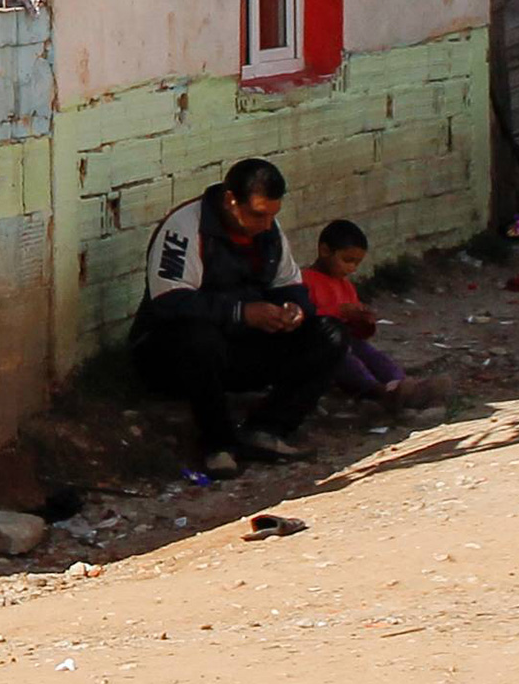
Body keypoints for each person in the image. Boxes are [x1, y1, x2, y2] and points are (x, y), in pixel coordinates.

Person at [129, 157, 339, 473]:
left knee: (330, 335)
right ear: (230, 200)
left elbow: (289, 283)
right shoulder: (185, 227)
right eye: (258, 214)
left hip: (239, 349)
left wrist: (294, 311)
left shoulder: (268, 231)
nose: (266, 224)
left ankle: (267, 430)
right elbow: (170, 302)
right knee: (198, 338)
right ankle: (218, 445)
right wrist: (241, 313)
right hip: (174, 357)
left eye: (272, 215)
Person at [304, 218, 425, 406]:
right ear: (325, 251)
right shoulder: (305, 280)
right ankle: (379, 392)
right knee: (346, 360)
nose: (352, 268)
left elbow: (358, 333)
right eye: (347, 260)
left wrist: (364, 321)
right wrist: (339, 312)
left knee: (373, 355)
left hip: (348, 340)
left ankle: (401, 384)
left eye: (357, 263)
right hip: (319, 347)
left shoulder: (346, 286)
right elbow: (305, 319)